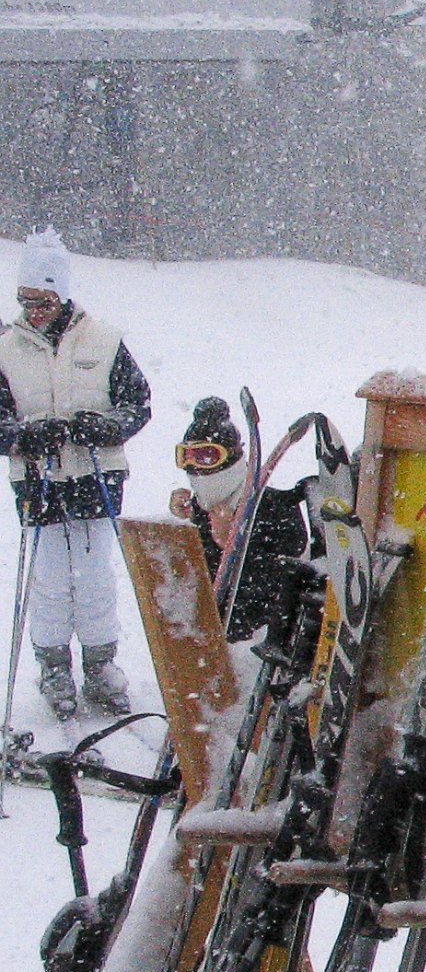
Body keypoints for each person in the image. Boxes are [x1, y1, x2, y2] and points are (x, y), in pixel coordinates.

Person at [0, 228, 151, 719]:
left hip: (94, 475)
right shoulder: (5, 348)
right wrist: (23, 437)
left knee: (93, 578)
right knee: (47, 578)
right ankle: (53, 667)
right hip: (38, 478)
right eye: (25, 301)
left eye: (42, 301)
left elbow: (138, 405)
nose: (33, 311)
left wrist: (104, 427)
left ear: (61, 295)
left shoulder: (104, 341)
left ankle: (100, 664)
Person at [168, 396, 311, 641]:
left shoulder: (277, 509)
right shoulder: (199, 512)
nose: (195, 468)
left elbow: (283, 588)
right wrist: (179, 527)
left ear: (231, 459)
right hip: (205, 647)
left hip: (256, 648)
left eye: (206, 456)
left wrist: (229, 543)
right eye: (187, 456)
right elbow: (187, 585)